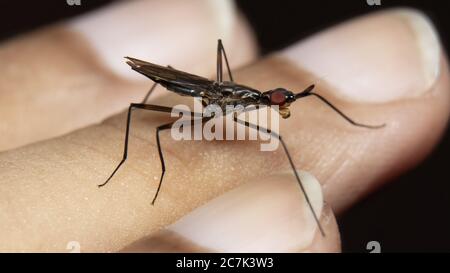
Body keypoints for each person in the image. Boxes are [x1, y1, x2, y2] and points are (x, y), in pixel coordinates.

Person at [0, 0, 448, 252]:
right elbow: (234, 102)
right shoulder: (243, 102)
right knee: (148, 119)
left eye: (281, 100)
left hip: (217, 93)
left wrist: (295, 99)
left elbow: (276, 99)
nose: (281, 103)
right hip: (199, 91)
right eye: (280, 99)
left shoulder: (261, 100)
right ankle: (130, 165)